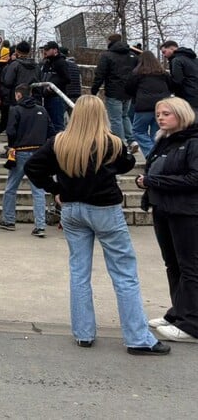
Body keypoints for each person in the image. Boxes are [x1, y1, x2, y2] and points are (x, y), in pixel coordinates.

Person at [25, 95, 169, 355]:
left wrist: (56, 190)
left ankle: (83, 333)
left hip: (71, 208)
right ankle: (137, 337)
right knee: (124, 272)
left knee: (79, 271)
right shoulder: (112, 142)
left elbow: (34, 167)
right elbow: (125, 165)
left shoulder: (59, 142)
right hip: (105, 209)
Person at [138, 97, 198, 343]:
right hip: (163, 208)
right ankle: (178, 312)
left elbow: (194, 178)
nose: (160, 118)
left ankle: (192, 323)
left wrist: (155, 182)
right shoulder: (164, 141)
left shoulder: (193, 142)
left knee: (189, 266)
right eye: (158, 113)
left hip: (186, 212)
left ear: (181, 115)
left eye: (166, 114)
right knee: (172, 264)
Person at [0, 84, 51, 236]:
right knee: (38, 191)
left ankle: (9, 220)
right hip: (39, 153)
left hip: (20, 152)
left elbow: (11, 131)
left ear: (19, 95)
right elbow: (51, 129)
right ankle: (40, 225)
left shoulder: (16, 110)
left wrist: (11, 146)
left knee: (11, 187)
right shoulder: (42, 110)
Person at [90, 34, 138, 151]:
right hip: (129, 91)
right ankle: (132, 141)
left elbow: (100, 74)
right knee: (124, 116)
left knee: (115, 119)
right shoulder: (132, 55)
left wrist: (94, 90)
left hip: (113, 91)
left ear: (110, 41)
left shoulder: (107, 55)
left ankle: (120, 143)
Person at [125, 51, 172, 157]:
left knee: (138, 131)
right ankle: (157, 156)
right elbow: (172, 86)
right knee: (157, 134)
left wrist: (137, 95)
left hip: (143, 107)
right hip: (161, 106)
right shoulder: (163, 73)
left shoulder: (137, 73)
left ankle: (151, 155)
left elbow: (128, 88)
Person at [40, 41, 71, 133]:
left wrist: (53, 86)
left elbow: (67, 78)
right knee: (48, 123)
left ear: (55, 50)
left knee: (57, 123)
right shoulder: (47, 63)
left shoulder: (60, 62)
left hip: (57, 97)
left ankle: (58, 144)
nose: (45, 51)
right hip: (47, 96)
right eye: (44, 49)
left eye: (47, 49)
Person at [160, 41, 198, 111]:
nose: (164, 55)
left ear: (171, 49)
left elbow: (177, 81)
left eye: (164, 52)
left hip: (187, 98)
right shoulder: (195, 60)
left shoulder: (176, 60)